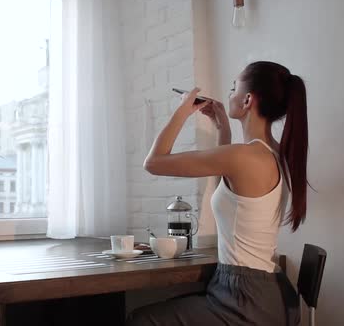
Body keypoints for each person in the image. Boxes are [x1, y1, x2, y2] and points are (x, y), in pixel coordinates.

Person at [128, 61, 307, 325]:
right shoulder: (275, 153)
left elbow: (153, 162)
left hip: (247, 299)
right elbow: (234, 188)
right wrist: (223, 127)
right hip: (268, 292)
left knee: (140, 319)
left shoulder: (245, 156)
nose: (229, 94)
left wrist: (182, 111)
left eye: (234, 88)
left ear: (247, 100)